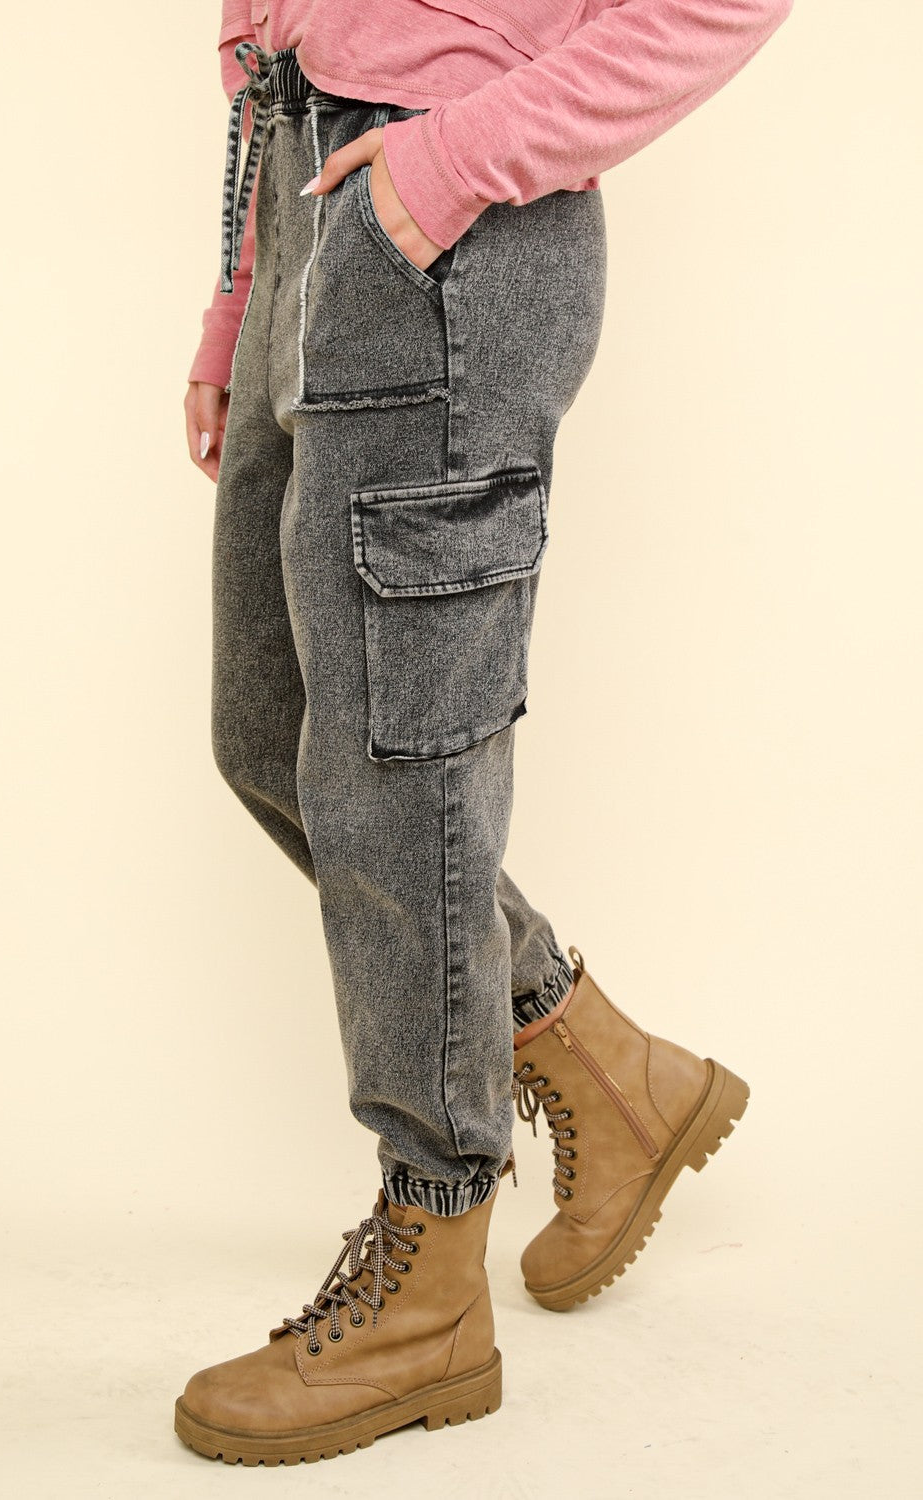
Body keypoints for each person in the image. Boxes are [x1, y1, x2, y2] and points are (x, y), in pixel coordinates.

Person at [175, 0, 793, 1468]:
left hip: (447, 225)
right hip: (303, 197)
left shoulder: (445, 179)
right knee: (273, 736)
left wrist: (451, 163)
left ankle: (432, 1274)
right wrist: (243, 293)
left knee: (401, 762)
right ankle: (605, 1068)